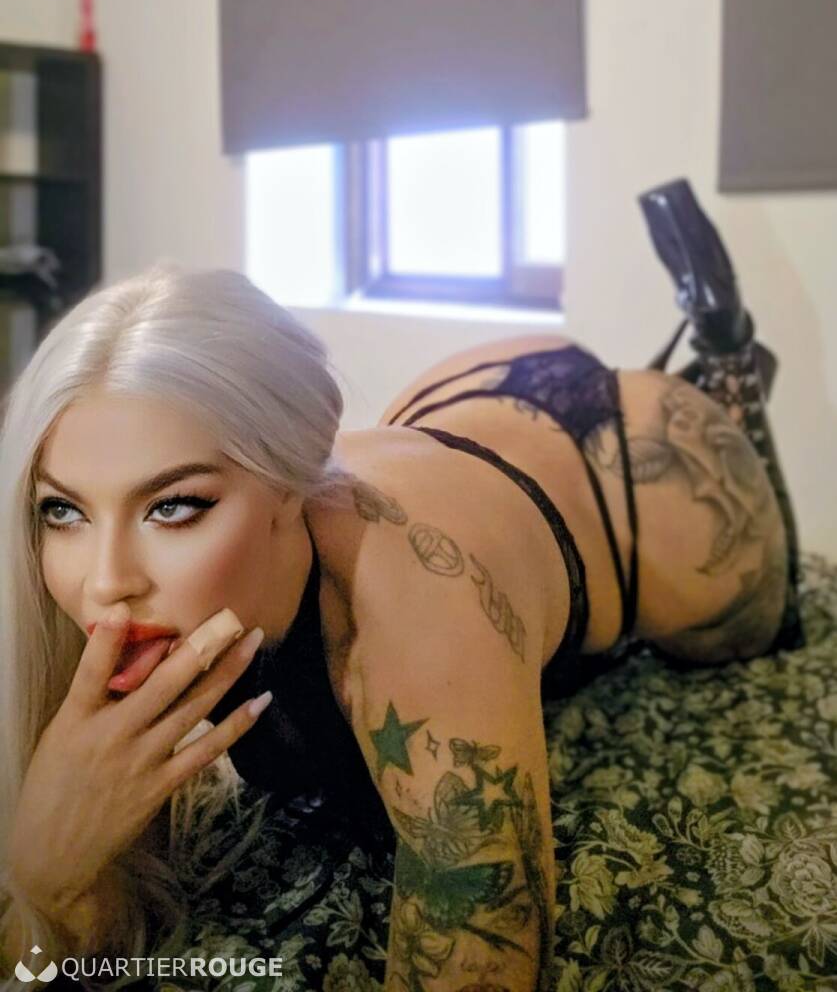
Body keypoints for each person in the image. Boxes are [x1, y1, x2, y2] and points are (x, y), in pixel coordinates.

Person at [0, 180, 803, 990]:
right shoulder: (104, 594)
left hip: (630, 477)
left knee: (750, 626)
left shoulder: (421, 620)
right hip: (449, 401)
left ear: (289, 482)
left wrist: (48, 875)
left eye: (173, 506)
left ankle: (725, 362)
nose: (105, 583)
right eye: (63, 510)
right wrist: (44, 875)